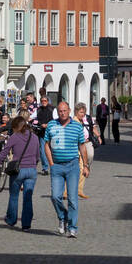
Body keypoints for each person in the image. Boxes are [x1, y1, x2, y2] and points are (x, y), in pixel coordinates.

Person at [44, 100, 89, 239]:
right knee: (55, 196)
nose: (62, 113)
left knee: (72, 199)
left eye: (64, 111)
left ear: (69, 111)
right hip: (56, 166)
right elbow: (46, 144)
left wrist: (86, 165)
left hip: (72, 165)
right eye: (60, 111)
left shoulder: (77, 126)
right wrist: (51, 163)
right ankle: (62, 217)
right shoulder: (52, 124)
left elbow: (82, 146)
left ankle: (72, 227)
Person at [0, 114, 39, 230]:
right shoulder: (34, 137)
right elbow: (37, 156)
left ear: (16, 127)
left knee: (14, 195)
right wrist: (33, 165)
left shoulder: (15, 137)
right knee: (28, 197)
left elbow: (4, 153)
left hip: (18, 170)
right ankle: (26, 224)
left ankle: (11, 219)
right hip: (31, 170)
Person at [73, 103, 100, 198]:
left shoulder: (87, 118)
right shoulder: (73, 121)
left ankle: (86, 167)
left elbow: (93, 128)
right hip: (77, 146)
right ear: (76, 112)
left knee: (90, 157)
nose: (82, 114)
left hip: (87, 142)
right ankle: (75, 190)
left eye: (83, 112)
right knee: (78, 169)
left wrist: (98, 136)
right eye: (80, 112)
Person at [35, 94, 54, 175]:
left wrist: (48, 124)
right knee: (42, 151)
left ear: (48, 101)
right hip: (42, 133)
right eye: (42, 101)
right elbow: (31, 117)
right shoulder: (38, 110)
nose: (43, 102)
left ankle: (55, 167)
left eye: (45, 101)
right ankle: (45, 168)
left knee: (54, 150)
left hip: (52, 133)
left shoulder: (53, 109)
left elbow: (56, 119)